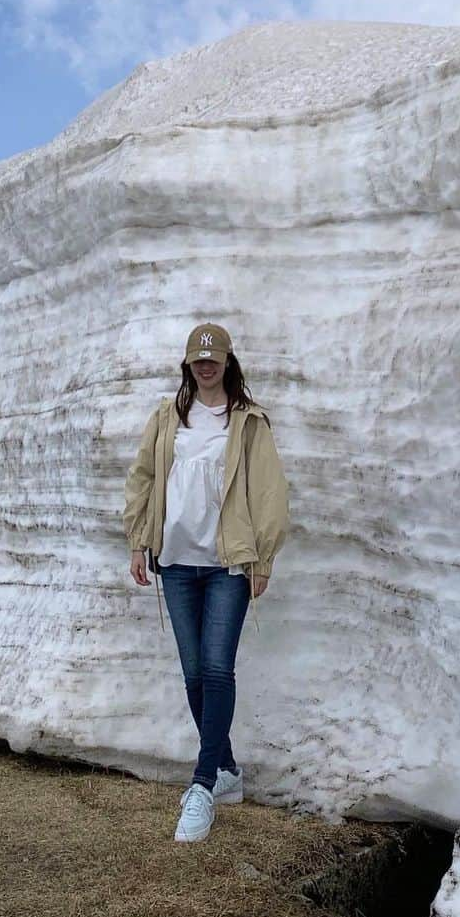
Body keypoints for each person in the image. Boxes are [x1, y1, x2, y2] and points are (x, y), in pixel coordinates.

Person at [123, 322, 290, 843]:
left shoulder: (248, 422)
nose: (206, 365)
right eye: (198, 359)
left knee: (217, 670)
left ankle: (201, 785)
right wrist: (138, 539)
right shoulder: (167, 418)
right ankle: (229, 773)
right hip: (174, 562)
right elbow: (144, 479)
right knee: (194, 673)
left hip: (226, 565)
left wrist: (262, 558)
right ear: (188, 365)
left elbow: (268, 492)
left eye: (213, 358)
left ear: (227, 362)